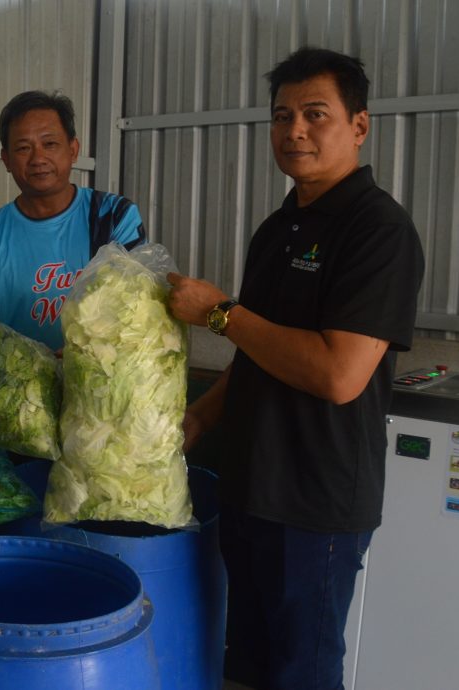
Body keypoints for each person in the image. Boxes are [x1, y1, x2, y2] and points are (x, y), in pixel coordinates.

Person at [167, 47, 424, 690]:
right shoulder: (278, 229)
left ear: (359, 126)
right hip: (250, 489)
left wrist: (220, 313)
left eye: (315, 114)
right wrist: (200, 418)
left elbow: (339, 375)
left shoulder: (379, 231)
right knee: (245, 666)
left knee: (302, 673)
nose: (295, 131)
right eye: (282, 116)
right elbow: (261, 353)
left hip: (314, 506)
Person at [0, 90, 146, 351]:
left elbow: (138, 311)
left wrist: (82, 358)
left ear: (73, 150)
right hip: (24, 375)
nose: (38, 158)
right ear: (6, 159)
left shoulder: (114, 216)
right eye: (23, 148)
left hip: (106, 373)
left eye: (50, 144)